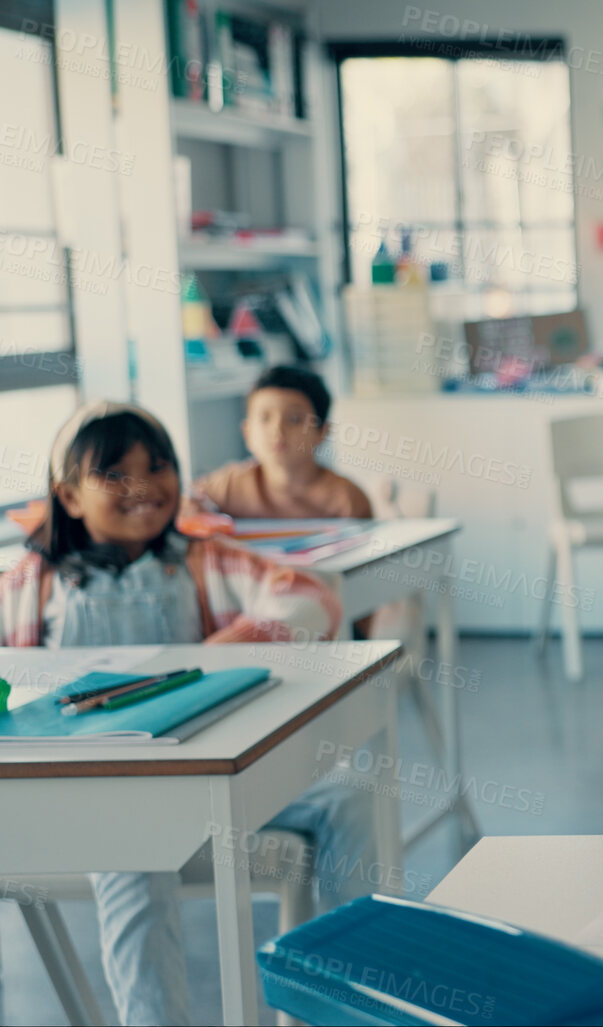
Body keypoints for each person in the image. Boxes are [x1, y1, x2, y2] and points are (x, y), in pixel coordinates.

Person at [0, 402, 377, 1025]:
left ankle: (353, 1009)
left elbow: (311, 598)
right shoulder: (29, 585)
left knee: (353, 793)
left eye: (159, 467)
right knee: (133, 854)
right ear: (68, 496)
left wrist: (226, 649)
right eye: (116, 475)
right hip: (94, 805)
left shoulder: (202, 559)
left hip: (211, 787)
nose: (144, 487)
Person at [183, 364, 373, 520]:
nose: (277, 430)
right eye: (265, 418)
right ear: (247, 432)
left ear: (322, 431)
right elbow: (185, 502)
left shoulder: (347, 499)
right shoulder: (229, 486)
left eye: (294, 419)